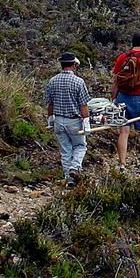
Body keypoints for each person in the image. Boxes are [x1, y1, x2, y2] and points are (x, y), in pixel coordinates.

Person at [112, 32, 140, 172]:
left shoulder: (122, 58)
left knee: (123, 132)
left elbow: (116, 81)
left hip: (122, 98)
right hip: (139, 99)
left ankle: (122, 165)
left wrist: (113, 99)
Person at [44, 52, 90, 186]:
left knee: (65, 150)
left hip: (59, 120)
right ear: (74, 65)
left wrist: (50, 119)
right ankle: (74, 168)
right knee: (80, 146)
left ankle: (68, 178)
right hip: (74, 121)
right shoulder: (78, 82)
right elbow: (83, 104)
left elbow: (50, 103)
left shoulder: (53, 81)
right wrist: (86, 122)